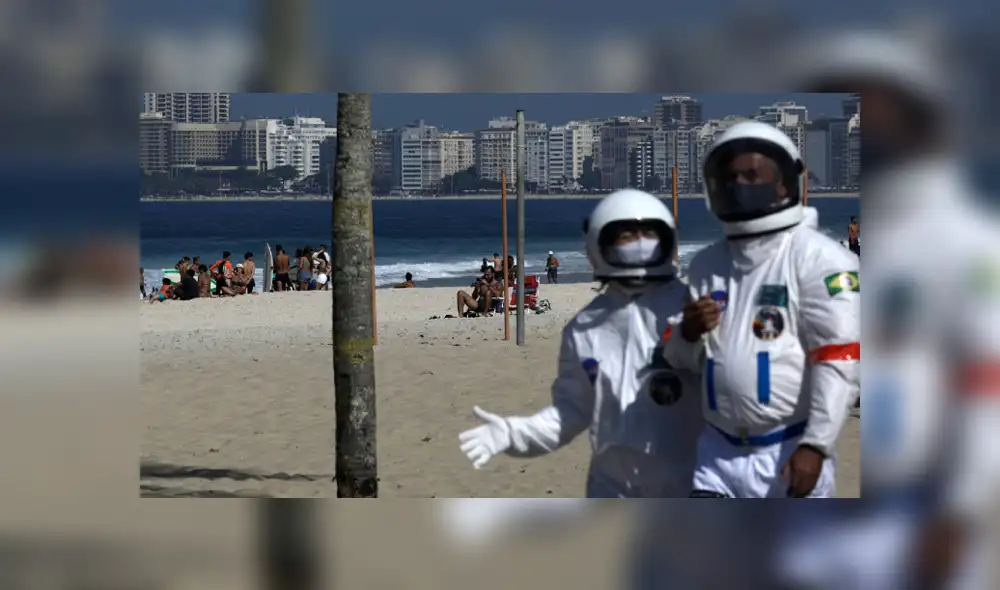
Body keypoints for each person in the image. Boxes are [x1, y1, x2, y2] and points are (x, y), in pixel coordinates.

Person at [457, 189, 703, 497]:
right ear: (600, 243)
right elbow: (569, 414)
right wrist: (512, 434)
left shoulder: (695, 308)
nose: (638, 245)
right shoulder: (585, 328)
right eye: (626, 237)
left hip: (689, 486)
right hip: (612, 488)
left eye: (647, 235)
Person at [660, 121, 860, 499]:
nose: (739, 184)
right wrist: (687, 332)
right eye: (731, 176)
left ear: (785, 182)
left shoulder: (821, 259)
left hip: (787, 451)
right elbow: (681, 359)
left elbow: (839, 358)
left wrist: (816, 445)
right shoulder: (706, 265)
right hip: (716, 456)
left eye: (753, 175)